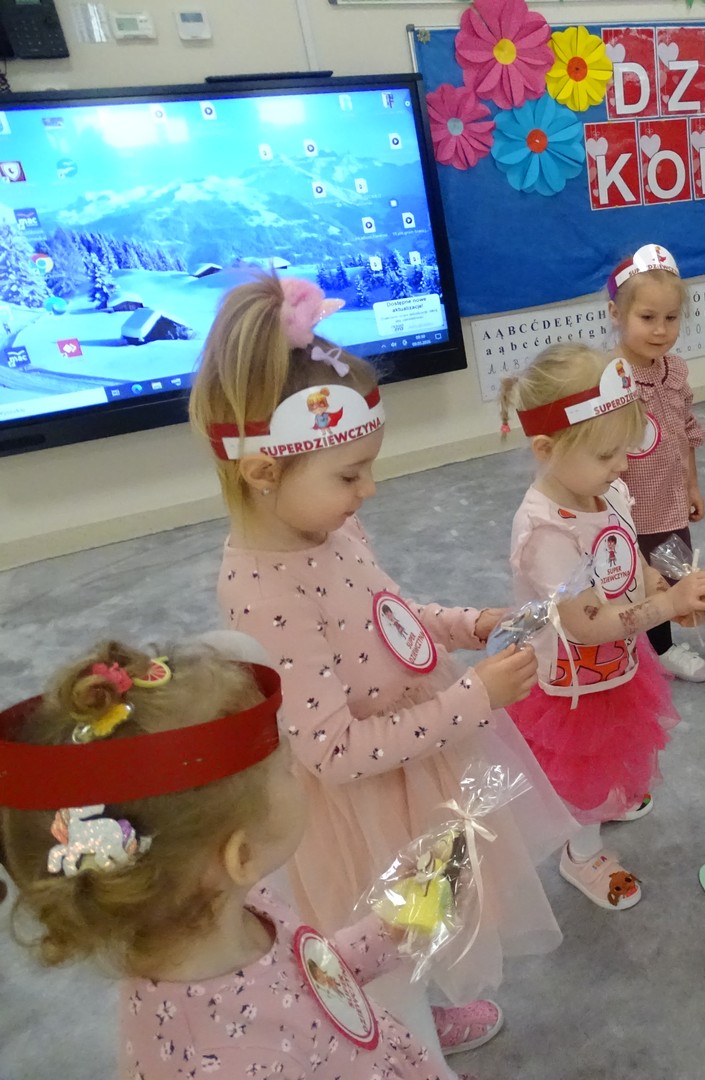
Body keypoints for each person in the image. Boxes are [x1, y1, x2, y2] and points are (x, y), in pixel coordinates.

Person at [189, 274, 578, 1058]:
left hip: (417, 768)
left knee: (427, 919)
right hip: (361, 809)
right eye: (347, 474)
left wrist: (469, 624)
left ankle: (418, 1011)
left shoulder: (333, 532)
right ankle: (407, 1048)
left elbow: (389, 614)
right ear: (263, 472)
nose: (369, 489)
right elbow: (332, 751)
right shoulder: (262, 590)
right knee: (379, 951)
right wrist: (474, 697)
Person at [0, 635, 475, 1080]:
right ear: (241, 853)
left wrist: (399, 920)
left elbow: (308, 980)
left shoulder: (238, 908)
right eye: (286, 768)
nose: (298, 770)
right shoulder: (227, 1062)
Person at [500, 343, 705, 910]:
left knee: (618, 748)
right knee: (583, 768)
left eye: (626, 450)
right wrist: (665, 607)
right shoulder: (547, 532)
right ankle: (581, 853)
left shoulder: (608, 489)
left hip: (619, 660)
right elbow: (586, 625)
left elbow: (629, 554)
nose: (622, 466)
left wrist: (658, 585)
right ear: (546, 449)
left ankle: (608, 797)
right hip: (573, 681)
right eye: (607, 455)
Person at [605, 243, 705, 684]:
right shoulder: (610, 380)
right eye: (647, 317)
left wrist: (692, 485)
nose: (660, 330)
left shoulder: (675, 370)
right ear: (616, 314)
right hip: (626, 509)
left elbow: (685, 433)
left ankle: (660, 647)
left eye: (671, 318)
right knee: (633, 581)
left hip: (669, 501)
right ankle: (643, 651)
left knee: (670, 576)